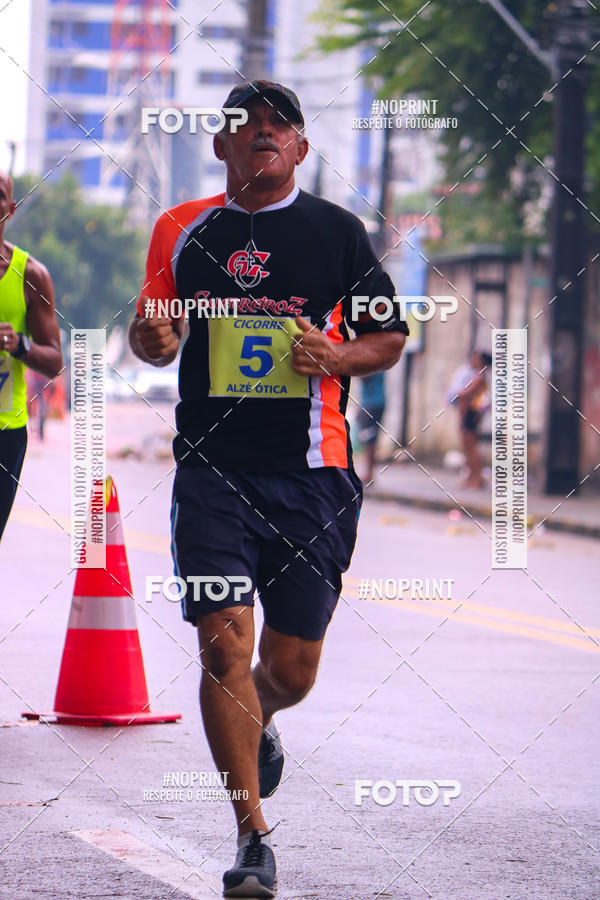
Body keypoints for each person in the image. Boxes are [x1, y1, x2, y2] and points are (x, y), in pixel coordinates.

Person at [129, 80, 408, 898]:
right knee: (224, 647)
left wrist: (338, 355)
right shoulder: (182, 229)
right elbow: (155, 334)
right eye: (242, 125)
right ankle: (253, 836)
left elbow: (387, 336)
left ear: (299, 149)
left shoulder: (335, 232)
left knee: (288, 670)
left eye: (278, 124)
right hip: (213, 472)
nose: (261, 134)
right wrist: (149, 337)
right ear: (219, 146)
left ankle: (266, 719)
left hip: (312, 475)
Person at [0, 171, 63, 541]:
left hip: (5, 430)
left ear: (11, 209)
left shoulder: (31, 275)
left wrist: (18, 344)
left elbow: (55, 361)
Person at [448, 348, 492, 489]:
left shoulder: (480, 377)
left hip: (471, 414)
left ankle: (477, 478)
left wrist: (457, 393)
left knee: (471, 447)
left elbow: (464, 393)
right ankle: (472, 476)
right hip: (467, 413)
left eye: (476, 358)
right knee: (467, 447)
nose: (472, 360)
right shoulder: (473, 375)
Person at [355, 371, 386, 484]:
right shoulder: (380, 359)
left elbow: (364, 375)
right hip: (372, 403)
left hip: (372, 404)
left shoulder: (374, 360)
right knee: (369, 439)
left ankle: (369, 474)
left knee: (369, 440)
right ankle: (369, 473)